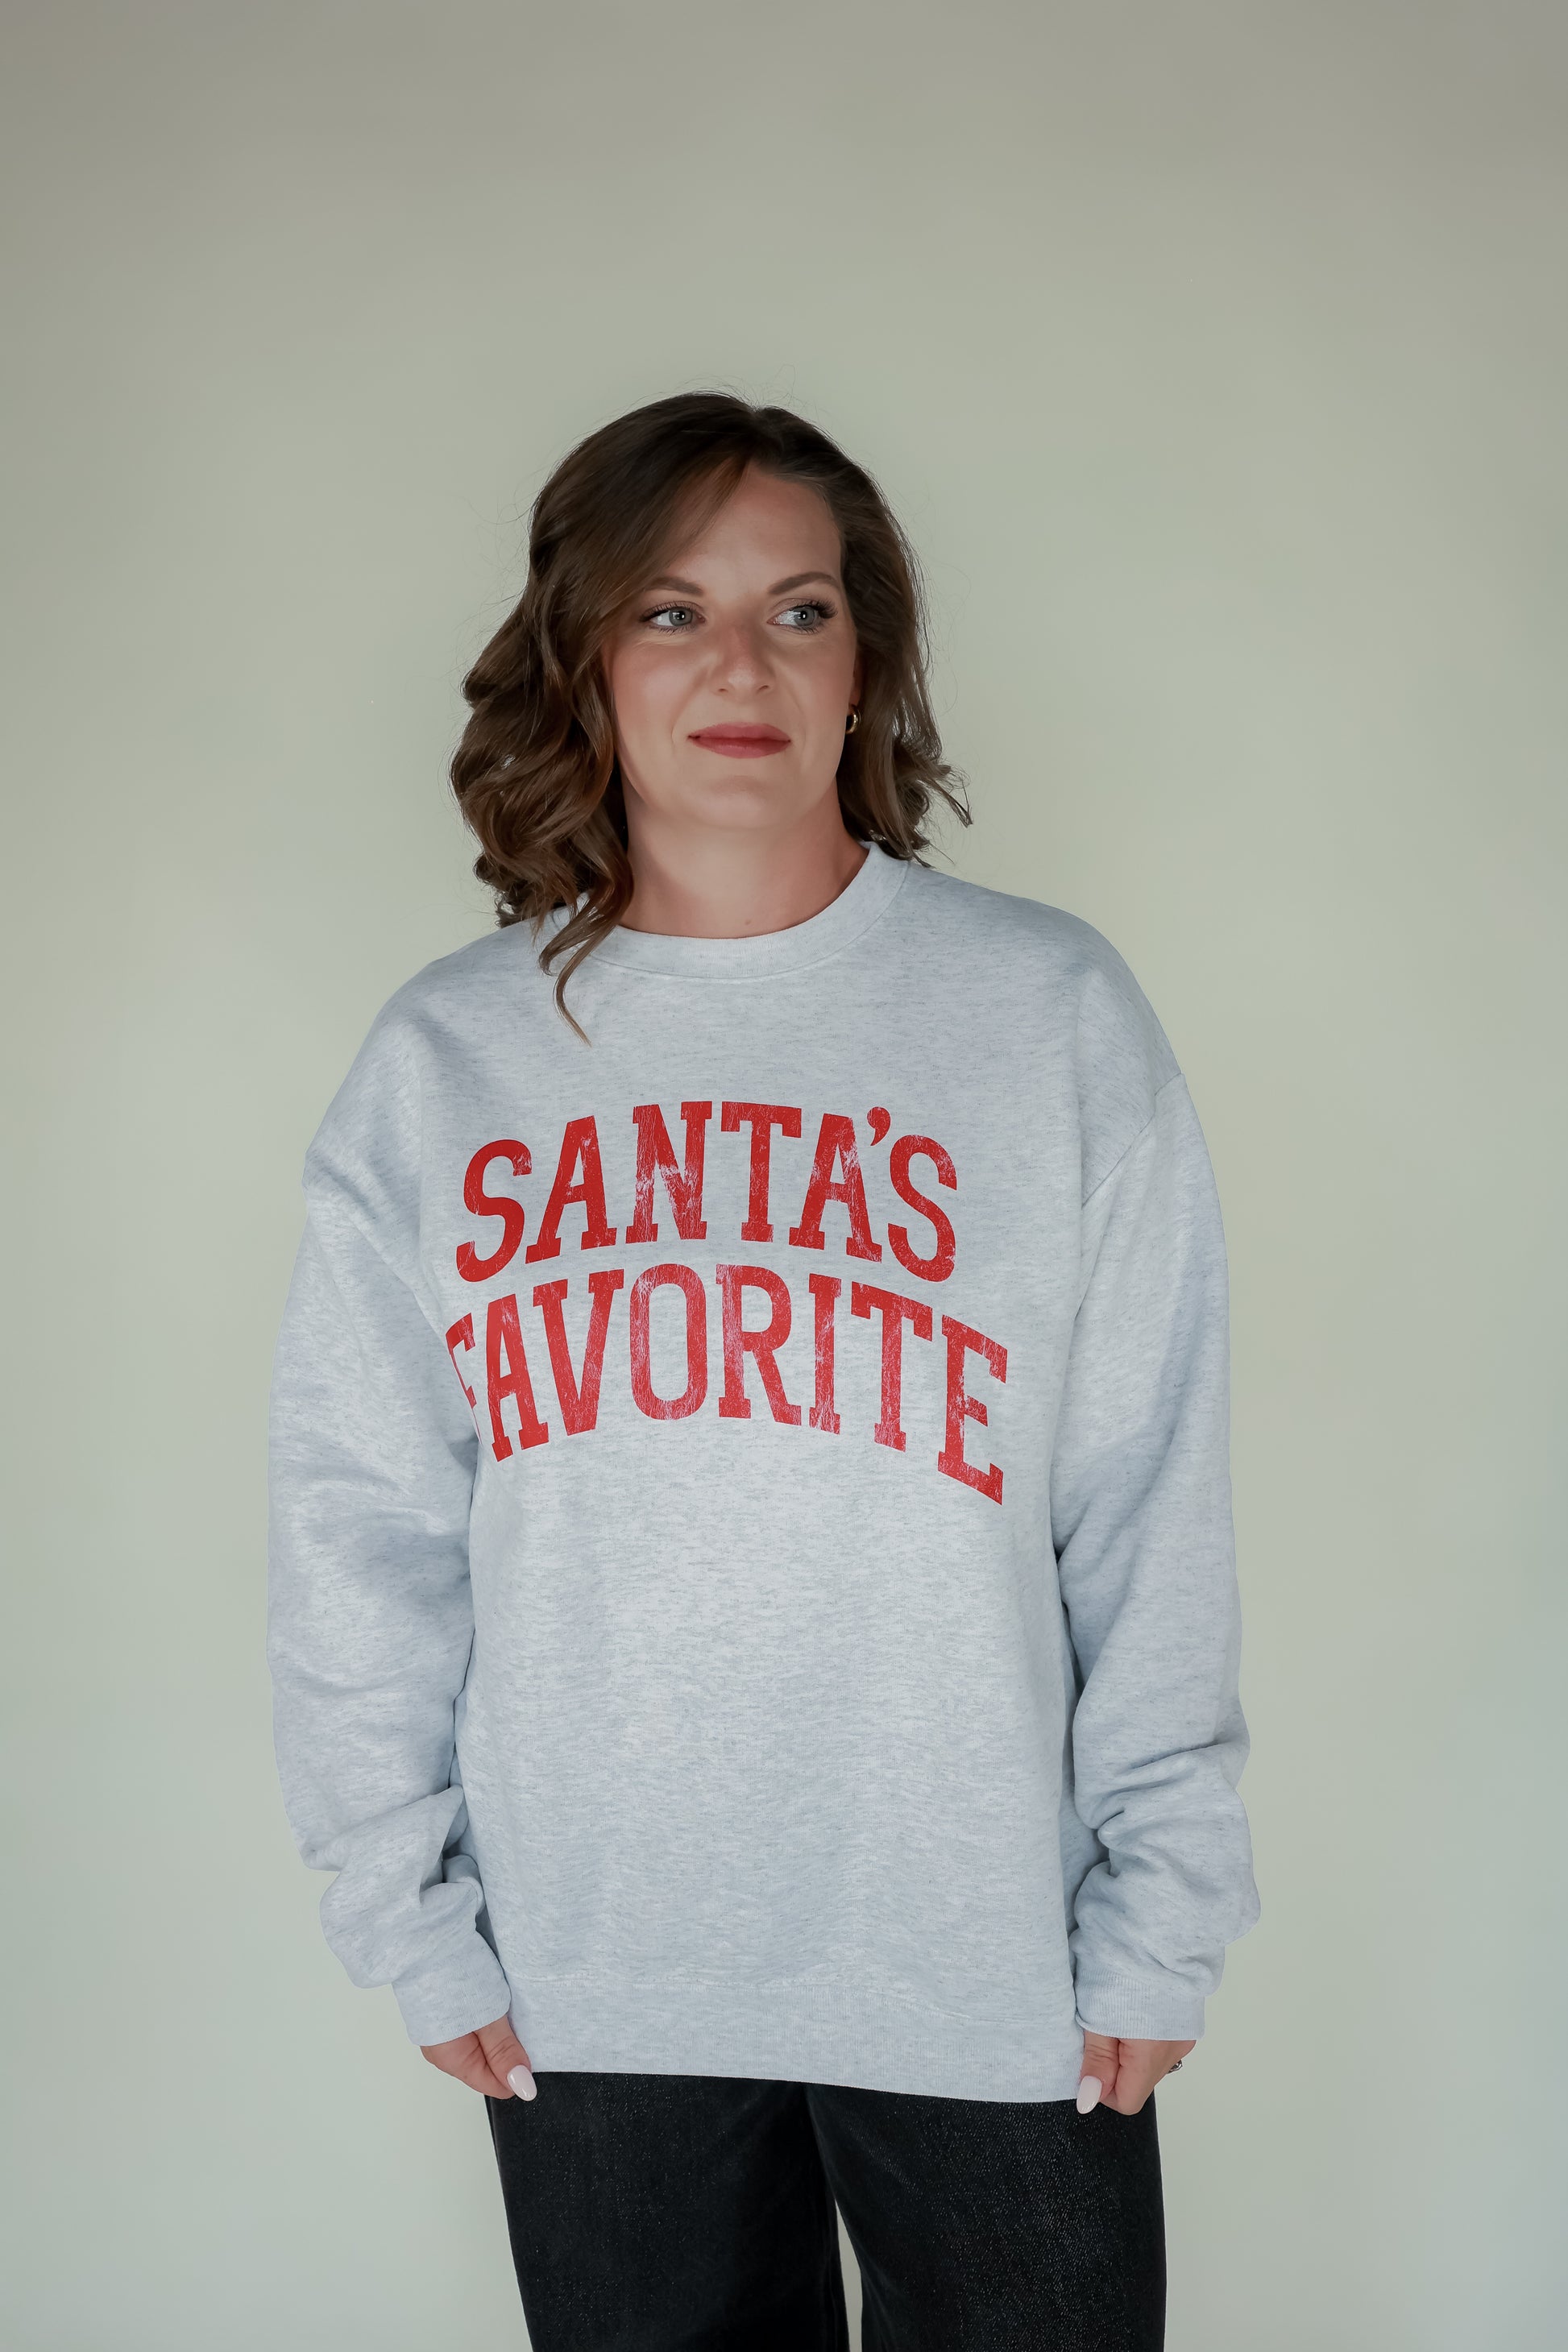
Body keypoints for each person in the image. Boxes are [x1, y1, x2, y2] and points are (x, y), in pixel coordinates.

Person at [266, 392, 1261, 2350]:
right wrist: (404, 1902)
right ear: (584, 659)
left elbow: (1145, 1492)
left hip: (990, 1953)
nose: (740, 664)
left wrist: (1168, 1894)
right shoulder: (446, 1062)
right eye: (671, 610)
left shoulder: (1045, 1012)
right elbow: (361, 1520)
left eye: (799, 609)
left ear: (863, 660)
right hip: (596, 1974)